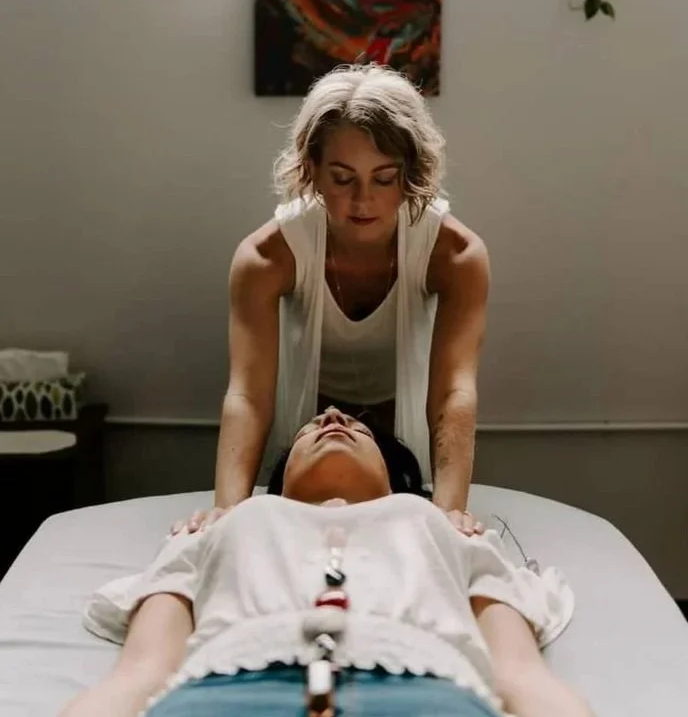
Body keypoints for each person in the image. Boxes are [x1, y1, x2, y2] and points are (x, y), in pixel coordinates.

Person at [61, 408, 588, 717]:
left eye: (360, 429)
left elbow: (520, 674)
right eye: (310, 428)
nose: (333, 417)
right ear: (280, 479)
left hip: (429, 693)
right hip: (222, 692)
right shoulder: (221, 528)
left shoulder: (446, 528)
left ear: (394, 478)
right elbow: (141, 673)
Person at [174, 63, 491, 538]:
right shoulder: (265, 258)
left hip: (404, 433)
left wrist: (448, 518)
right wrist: (228, 514)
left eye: (384, 178)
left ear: (410, 173)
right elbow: (248, 396)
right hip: (306, 431)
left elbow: (453, 391)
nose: (363, 200)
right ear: (312, 170)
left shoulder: (457, 255)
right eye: (343, 178)